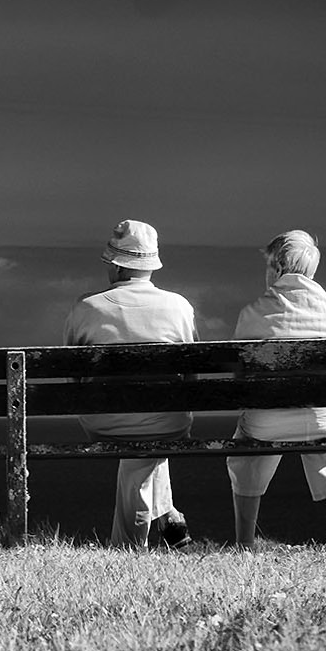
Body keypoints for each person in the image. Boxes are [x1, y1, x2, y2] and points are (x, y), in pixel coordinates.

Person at [63, 220, 198, 549]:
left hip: (104, 420)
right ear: (150, 266)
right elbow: (192, 374)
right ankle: (167, 519)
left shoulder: (87, 308)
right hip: (169, 421)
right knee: (152, 427)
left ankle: (130, 546)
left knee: (138, 432)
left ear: (116, 265)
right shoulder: (180, 307)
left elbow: (72, 377)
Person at [227, 230, 326, 548]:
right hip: (322, 419)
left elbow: (238, 376)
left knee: (246, 443)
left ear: (275, 268)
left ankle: (244, 541)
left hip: (266, 422)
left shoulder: (253, 313)